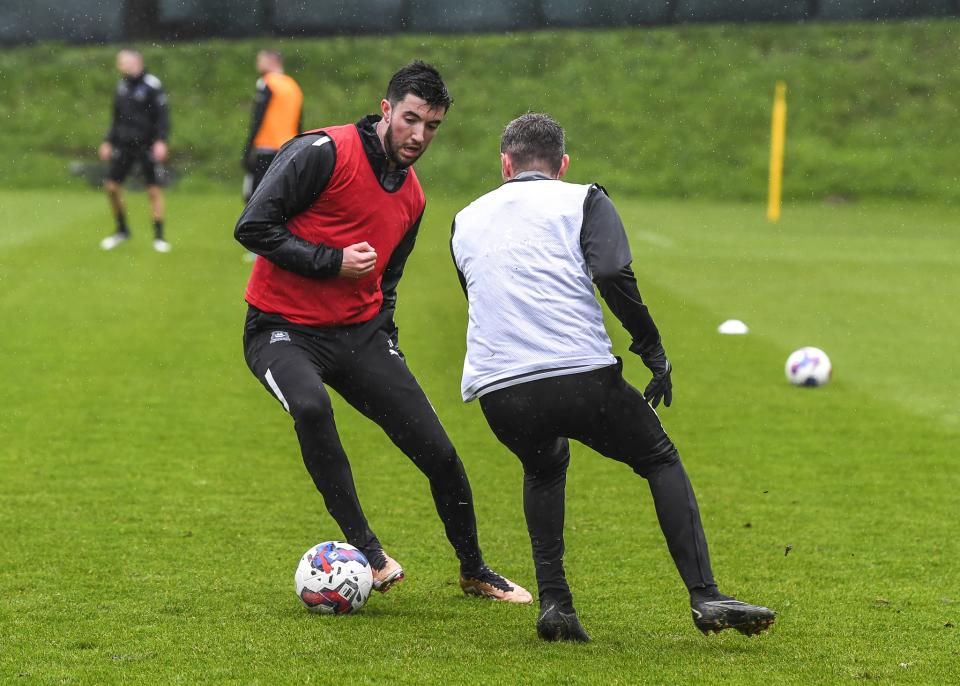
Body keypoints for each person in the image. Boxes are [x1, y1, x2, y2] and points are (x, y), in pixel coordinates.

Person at [450, 113, 775, 642]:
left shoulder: (464, 218)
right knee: (659, 458)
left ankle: (555, 605)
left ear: (504, 165)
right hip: (579, 377)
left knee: (543, 465)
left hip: (499, 391)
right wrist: (651, 349)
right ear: (563, 165)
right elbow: (611, 273)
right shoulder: (583, 198)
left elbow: (481, 295)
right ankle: (705, 595)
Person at [235, 61, 531, 604]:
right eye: (411, 119)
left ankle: (475, 570)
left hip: (360, 337)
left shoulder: (413, 197)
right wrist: (330, 261)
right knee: (310, 407)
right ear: (387, 109)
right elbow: (252, 227)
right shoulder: (321, 151)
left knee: (439, 453)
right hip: (281, 330)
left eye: (433, 126)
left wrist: (386, 336)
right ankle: (367, 552)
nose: (419, 136)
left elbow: (387, 280)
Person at [98, 49, 171, 253]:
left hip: (146, 145)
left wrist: (160, 141)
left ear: (136, 61)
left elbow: (162, 116)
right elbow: (116, 118)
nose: (119, 65)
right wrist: (108, 141)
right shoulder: (121, 86)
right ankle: (122, 230)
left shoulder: (152, 85)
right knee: (111, 187)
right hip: (123, 145)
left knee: (153, 190)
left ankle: (159, 237)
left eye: (123, 61)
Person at [242, 49, 303, 202]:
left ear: (272, 61)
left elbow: (258, 118)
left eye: (260, 60)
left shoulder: (267, 83)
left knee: (255, 198)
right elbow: (299, 120)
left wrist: (248, 149)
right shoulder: (293, 85)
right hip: (288, 148)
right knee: (280, 197)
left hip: (266, 147)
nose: (258, 64)